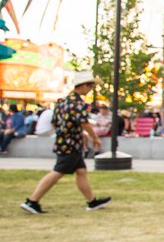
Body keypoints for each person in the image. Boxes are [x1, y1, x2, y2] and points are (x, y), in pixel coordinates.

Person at [21, 71, 111, 214]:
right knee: (58, 172)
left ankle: (92, 201)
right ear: (83, 86)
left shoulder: (62, 102)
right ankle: (32, 200)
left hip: (63, 141)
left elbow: (55, 122)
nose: (90, 90)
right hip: (71, 144)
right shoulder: (78, 103)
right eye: (90, 86)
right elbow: (85, 124)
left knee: (81, 171)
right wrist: (95, 138)